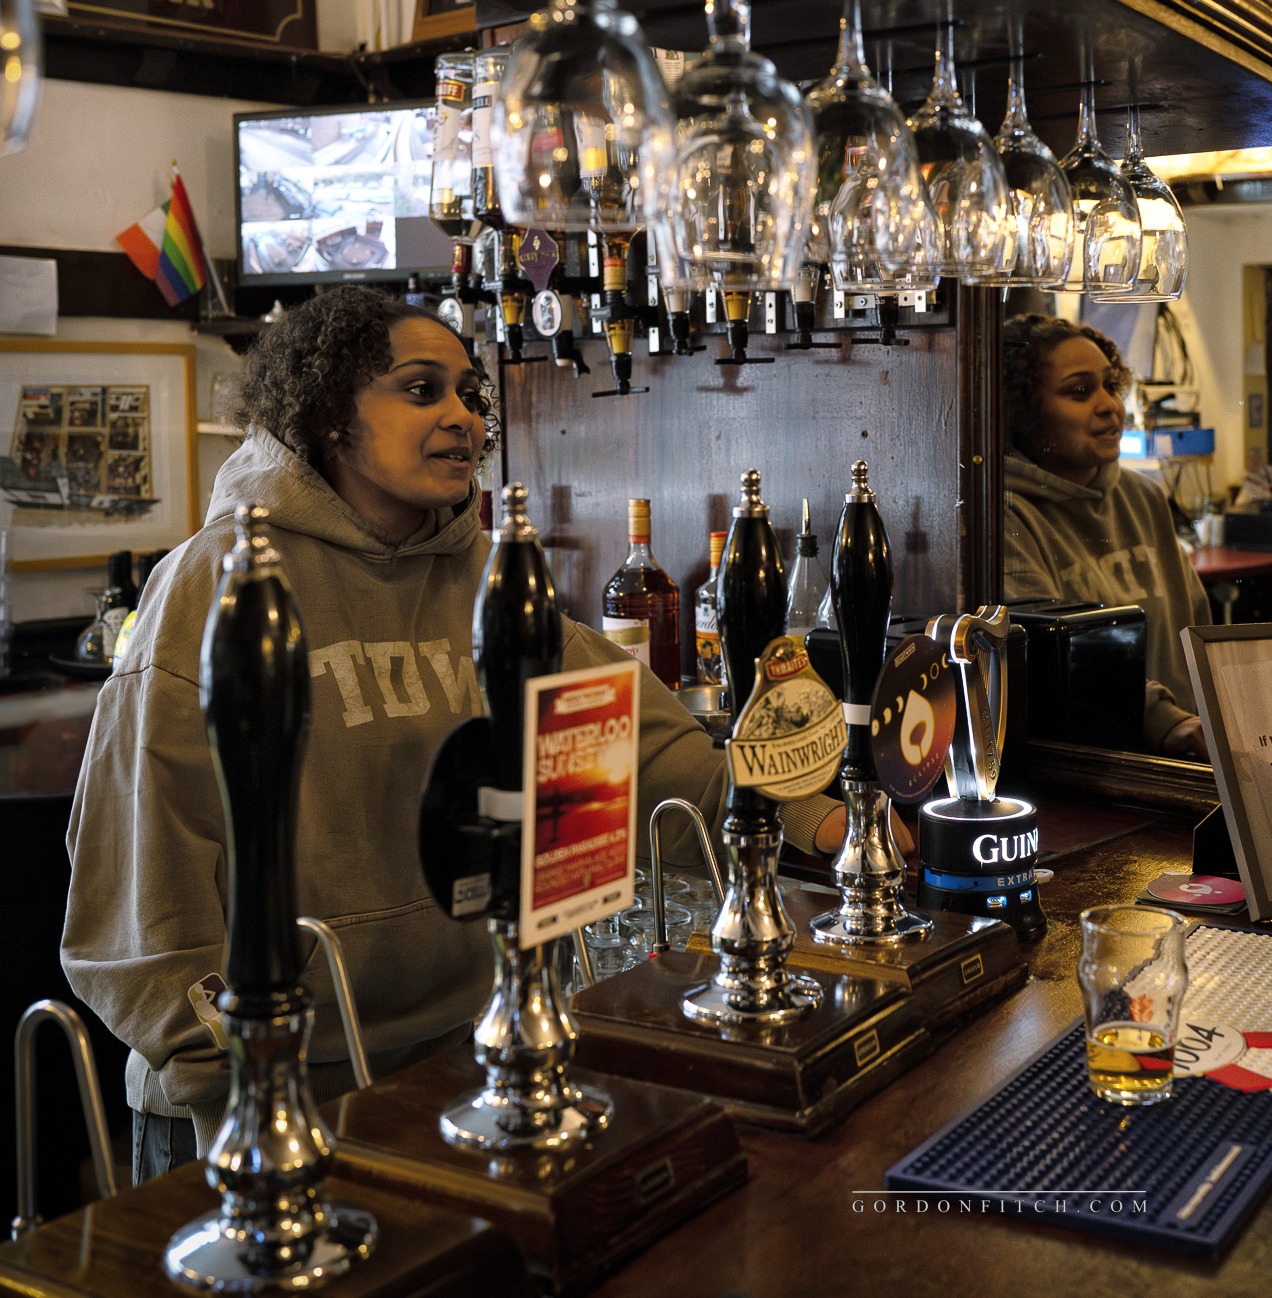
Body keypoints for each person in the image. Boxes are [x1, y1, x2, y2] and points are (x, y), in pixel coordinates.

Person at [60, 288, 837, 1182]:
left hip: (462, 1054)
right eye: (421, 390)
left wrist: (822, 818)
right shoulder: (220, 584)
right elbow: (139, 875)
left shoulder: (491, 578)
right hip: (268, 1092)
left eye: (471, 393)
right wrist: (229, 1069)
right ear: (327, 415)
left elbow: (643, 747)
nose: (463, 417)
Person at [1001, 314, 1211, 760]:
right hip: (1098, 767)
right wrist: (1162, 719)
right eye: (1080, 391)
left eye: (1111, 385)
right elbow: (1051, 657)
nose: (1108, 405)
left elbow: (1199, 628)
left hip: (1190, 756)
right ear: (1021, 409)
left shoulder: (1143, 496)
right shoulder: (1005, 513)